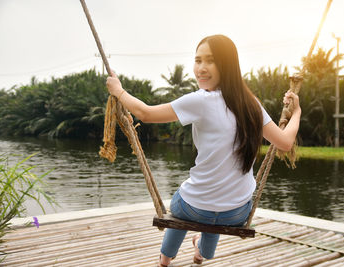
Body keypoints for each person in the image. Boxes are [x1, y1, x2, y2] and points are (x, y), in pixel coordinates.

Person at [106, 34, 301, 267]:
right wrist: (296, 112)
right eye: (198, 60)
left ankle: (165, 258)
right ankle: (202, 253)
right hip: (237, 212)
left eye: (210, 61)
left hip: (195, 208)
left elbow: (146, 113)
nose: (201, 68)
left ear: (226, 65)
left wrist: (119, 91)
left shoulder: (201, 100)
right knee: (212, 205)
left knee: (181, 208)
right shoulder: (252, 105)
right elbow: (285, 143)